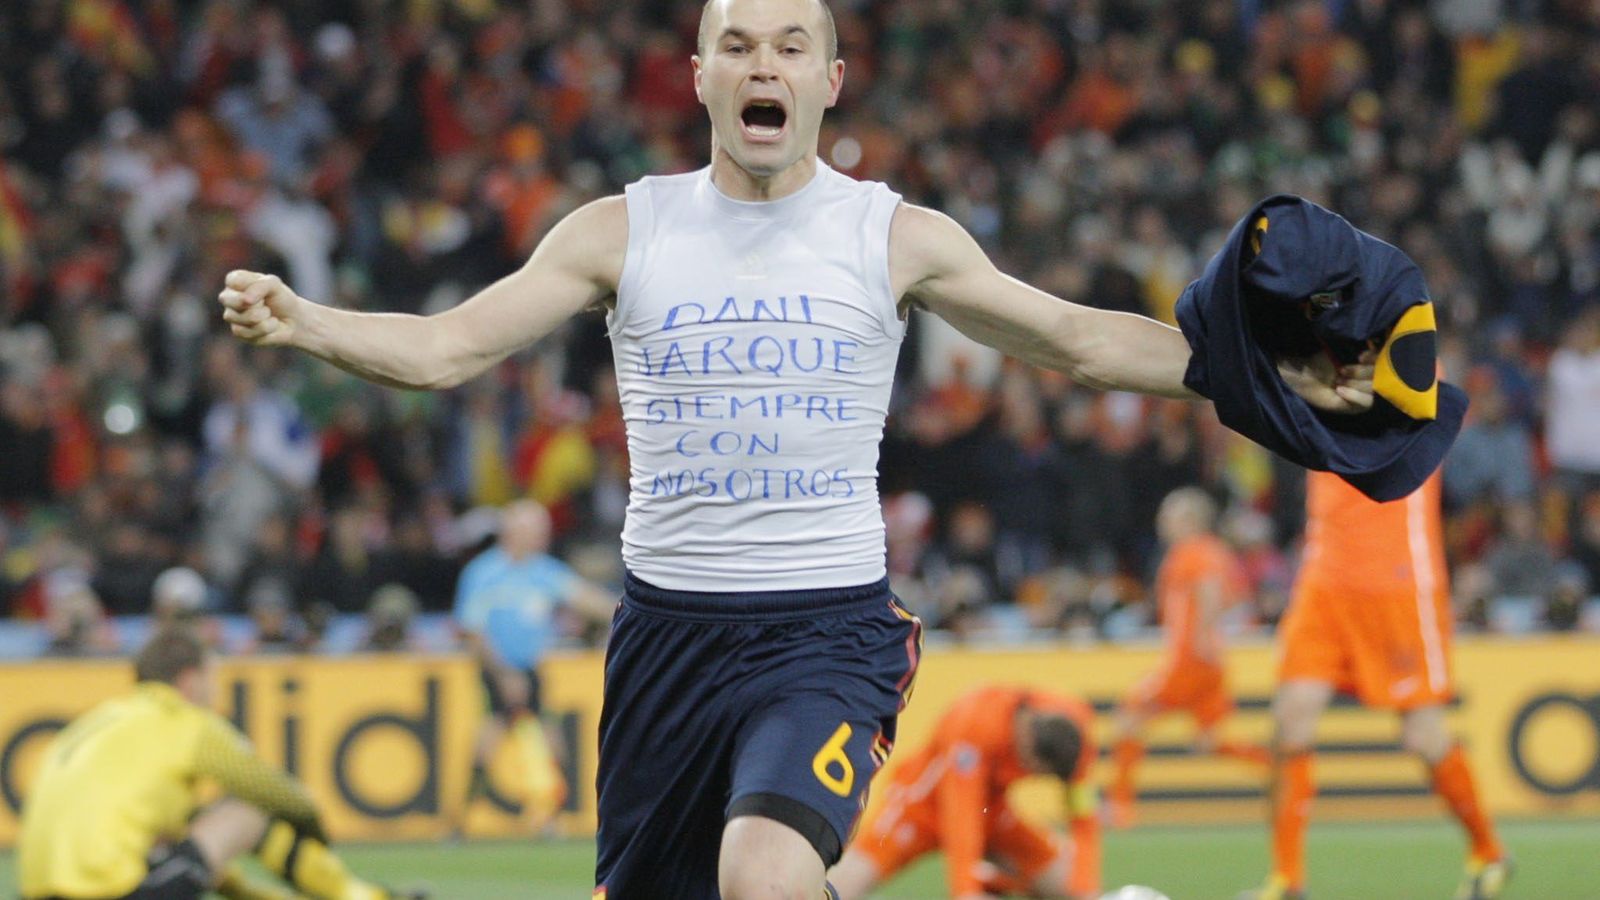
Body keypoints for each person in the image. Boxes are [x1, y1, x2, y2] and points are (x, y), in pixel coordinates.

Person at [217, 0, 1374, 894]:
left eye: (786, 47)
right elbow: (445, 349)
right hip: (664, 639)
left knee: (764, 876)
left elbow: (1074, 339)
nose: (760, 66)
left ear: (826, 81)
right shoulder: (619, 230)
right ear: (700, 77)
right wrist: (305, 321)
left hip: (824, 630)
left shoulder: (893, 235)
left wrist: (1267, 375)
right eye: (735, 45)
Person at [1238, 471, 1510, 900]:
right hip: (1325, 577)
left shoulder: (1424, 402)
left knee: (1423, 734)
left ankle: (1488, 851)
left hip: (1395, 579)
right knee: (1291, 718)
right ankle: (1287, 880)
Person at [16, 627, 419, 900]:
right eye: (213, 678)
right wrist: (312, 820)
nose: (215, 690)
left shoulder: (98, 721)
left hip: (38, 891)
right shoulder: (186, 721)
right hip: (110, 892)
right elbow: (273, 790)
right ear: (189, 679)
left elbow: (199, 859)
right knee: (246, 813)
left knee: (191, 831)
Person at [828, 686, 1101, 900]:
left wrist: (1086, 885)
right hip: (922, 807)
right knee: (841, 887)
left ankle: (994, 879)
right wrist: (965, 891)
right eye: (1036, 771)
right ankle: (983, 878)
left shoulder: (1076, 739)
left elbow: (1083, 814)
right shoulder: (977, 720)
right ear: (1027, 740)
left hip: (990, 814)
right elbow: (961, 812)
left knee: (1069, 884)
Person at [1109, 487, 1268, 828]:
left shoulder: (1193, 551)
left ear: (1190, 520)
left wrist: (1199, 634)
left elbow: (1211, 590)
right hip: (1208, 661)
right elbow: (1235, 595)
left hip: (1189, 661)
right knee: (1209, 741)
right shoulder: (1212, 551)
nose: (1161, 521)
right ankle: (1281, 773)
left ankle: (1120, 807)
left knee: (1128, 720)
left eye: (1169, 515)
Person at [452, 499, 615, 831]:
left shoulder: (543, 571)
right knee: (488, 740)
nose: (544, 536)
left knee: (551, 740)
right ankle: (461, 822)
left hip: (530, 668)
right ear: (514, 531)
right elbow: (471, 630)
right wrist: (503, 673)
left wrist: (636, 611)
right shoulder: (484, 572)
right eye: (536, 529)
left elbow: (586, 598)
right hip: (495, 669)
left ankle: (551, 817)